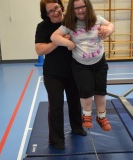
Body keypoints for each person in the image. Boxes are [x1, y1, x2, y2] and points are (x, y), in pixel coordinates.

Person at [51, 0, 114, 131]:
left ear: (87, 6)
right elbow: (54, 36)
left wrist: (107, 30)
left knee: (101, 91)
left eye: (82, 7)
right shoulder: (70, 24)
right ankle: (87, 115)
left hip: (99, 62)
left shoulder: (96, 19)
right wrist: (68, 43)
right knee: (86, 91)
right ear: (72, 10)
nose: (80, 11)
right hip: (81, 64)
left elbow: (110, 25)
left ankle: (101, 117)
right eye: (76, 8)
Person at [35, 0, 87, 150]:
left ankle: (77, 127)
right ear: (46, 14)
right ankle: (56, 139)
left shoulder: (72, 21)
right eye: (51, 11)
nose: (56, 12)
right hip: (53, 74)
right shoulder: (43, 27)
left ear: (61, 6)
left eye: (56, 7)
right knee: (56, 106)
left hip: (73, 71)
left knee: (75, 101)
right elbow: (39, 50)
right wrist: (59, 41)